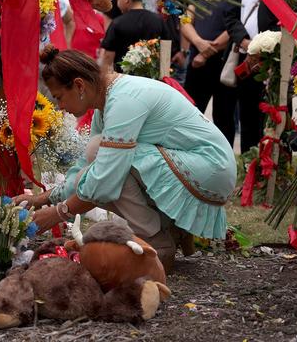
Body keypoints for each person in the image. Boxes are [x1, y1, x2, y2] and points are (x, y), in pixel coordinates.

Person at [15, 46, 236, 271]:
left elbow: (106, 179)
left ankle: (158, 243)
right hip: (199, 166)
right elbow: (86, 167)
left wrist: (57, 213)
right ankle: (169, 230)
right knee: (91, 165)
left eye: (59, 97)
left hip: (212, 167)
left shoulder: (124, 99)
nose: (60, 107)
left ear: (79, 85)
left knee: (103, 163)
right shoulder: (106, 101)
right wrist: (44, 199)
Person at [181, 0, 238, 147]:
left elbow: (236, 25)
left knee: (224, 117)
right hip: (196, 62)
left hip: (223, 61)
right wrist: (198, 42)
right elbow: (185, 20)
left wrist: (205, 53)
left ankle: (224, 159)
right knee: (190, 113)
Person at [223, 0, 280, 152]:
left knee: (273, 115)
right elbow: (230, 15)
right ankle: (249, 163)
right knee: (247, 116)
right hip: (246, 57)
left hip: (272, 59)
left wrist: (265, 46)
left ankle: (273, 164)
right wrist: (245, 42)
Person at [99, 0, 175, 72]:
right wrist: (164, 77)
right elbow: (166, 53)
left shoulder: (117, 23)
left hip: (124, 80)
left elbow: (107, 57)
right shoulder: (158, 20)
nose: (117, 4)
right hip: (152, 81)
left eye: (118, 0)